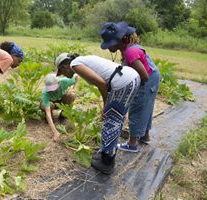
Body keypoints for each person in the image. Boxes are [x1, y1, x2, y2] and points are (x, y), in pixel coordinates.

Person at [55, 52, 140, 174]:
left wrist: (106, 105)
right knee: (117, 118)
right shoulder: (82, 60)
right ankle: (107, 152)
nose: (64, 75)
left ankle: (107, 161)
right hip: (131, 78)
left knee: (111, 120)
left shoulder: (75, 64)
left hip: (123, 82)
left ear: (64, 66)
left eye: (62, 72)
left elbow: (101, 83)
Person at [100, 21, 160, 153]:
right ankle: (145, 136)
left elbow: (143, 76)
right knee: (146, 108)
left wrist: (132, 88)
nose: (109, 48)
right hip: (153, 77)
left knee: (137, 109)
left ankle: (132, 144)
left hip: (147, 81)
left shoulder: (130, 52)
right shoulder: (128, 48)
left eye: (110, 44)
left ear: (121, 40)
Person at [41, 73, 77, 142]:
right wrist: (55, 132)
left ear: (58, 82)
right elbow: (48, 113)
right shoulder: (45, 92)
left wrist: (73, 88)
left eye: (54, 88)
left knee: (71, 95)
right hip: (52, 103)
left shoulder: (64, 81)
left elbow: (76, 76)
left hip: (61, 101)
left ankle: (63, 116)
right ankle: (50, 120)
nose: (53, 91)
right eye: (51, 89)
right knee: (44, 105)